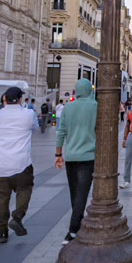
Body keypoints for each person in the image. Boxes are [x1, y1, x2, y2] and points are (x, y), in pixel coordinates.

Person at [0, 87, 36, 243]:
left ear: (4, 99)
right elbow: (34, 126)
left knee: (0, 199)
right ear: (21, 100)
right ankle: (17, 216)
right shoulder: (27, 114)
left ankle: (2, 230)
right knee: (25, 189)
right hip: (21, 163)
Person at [54, 78, 97, 244]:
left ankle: (76, 225)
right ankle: (72, 230)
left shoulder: (68, 107)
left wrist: (58, 154)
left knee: (74, 192)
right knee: (82, 193)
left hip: (71, 156)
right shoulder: (95, 106)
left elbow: (61, 132)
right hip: (88, 156)